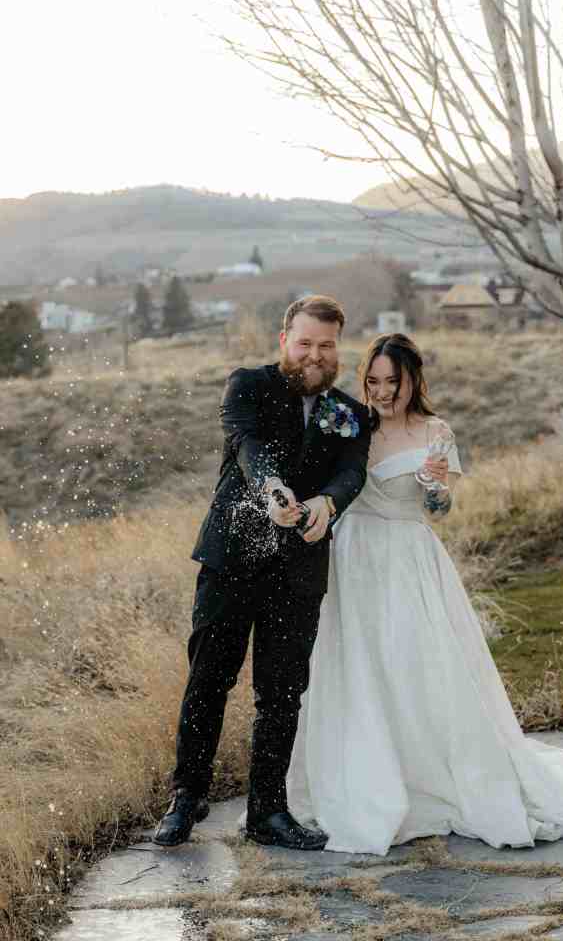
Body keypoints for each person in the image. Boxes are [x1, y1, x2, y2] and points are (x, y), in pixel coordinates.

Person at [287, 332, 563, 855]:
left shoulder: (435, 431)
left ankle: (433, 772)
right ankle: (365, 773)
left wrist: (433, 486)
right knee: (357, 663)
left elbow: (440, 510)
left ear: (412, 381)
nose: (381, 392)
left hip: (408, 556)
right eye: (373, 381)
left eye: (392, 383)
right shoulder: (352, 424)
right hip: (352, 556)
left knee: (418, 664)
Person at [154, 295, 371, 850]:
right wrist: (272, 490)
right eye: (305, 343)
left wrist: (327, 504)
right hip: (232, 560)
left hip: (298, 570)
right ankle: (186, 797)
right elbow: (249, 447)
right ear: (284, 341)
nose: (315, 355)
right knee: (208, 680)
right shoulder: (247, 385)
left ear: (337, 347)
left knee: (282, 694)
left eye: (326, 345)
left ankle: (267, 813)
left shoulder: (350, 412)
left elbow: (351, 474)